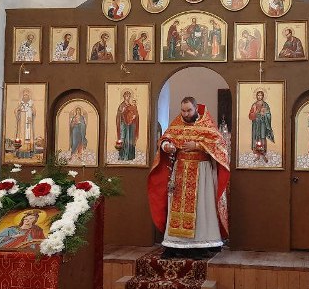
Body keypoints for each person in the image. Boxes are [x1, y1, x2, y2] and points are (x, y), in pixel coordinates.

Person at [148, 97, 230, 260]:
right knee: (176, 208)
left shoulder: (206, 123)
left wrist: (198, 145)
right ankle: (173, 244)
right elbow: (165, 139)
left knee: (200, 208)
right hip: (180, 171)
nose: (185, 114)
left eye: (189, 111)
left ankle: (199, 245)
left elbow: (219, 144)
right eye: (183, 111)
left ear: (196, 109)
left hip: (201, 172)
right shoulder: (177, 122)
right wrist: (167, 146)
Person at [248, 90, 274, 162]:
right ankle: (257, 155)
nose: (259, 97)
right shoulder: (254, 105)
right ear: (256, 96)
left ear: (263, 96)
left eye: (261, 95)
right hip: (256, 124)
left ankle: (263, 154)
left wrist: (264, 114)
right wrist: (255, 113)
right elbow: (250, 115)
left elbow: (269, 115)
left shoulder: (265, 105)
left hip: (263, 124)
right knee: (256, 137)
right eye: (258, 95)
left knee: (262, 137)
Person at [115, 91, 139, 160]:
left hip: (131, 125)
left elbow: (135, 113)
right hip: (124, 125)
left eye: (129, 96)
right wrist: (122, 112)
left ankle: (130, 156)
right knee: (124, 138)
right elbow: (119, 116)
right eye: (126, 96)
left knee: (130, 139)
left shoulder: (131, 105)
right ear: (124, 97)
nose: (128, 97)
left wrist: (135, 116)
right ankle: (123, 156)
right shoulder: (121, 105)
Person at [14, 88, 36, 157]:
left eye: (27, 95)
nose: (25, 96)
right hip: (22, 123)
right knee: (21, 136)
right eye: (24, 95)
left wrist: (32, 111)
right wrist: (18, 111)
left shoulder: (31, 103)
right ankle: (20, 151)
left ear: (29, 96)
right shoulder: (20, 103)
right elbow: (16, 111)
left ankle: (29, 152)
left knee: (28, 136)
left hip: (28, 122)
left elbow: (34, 112)